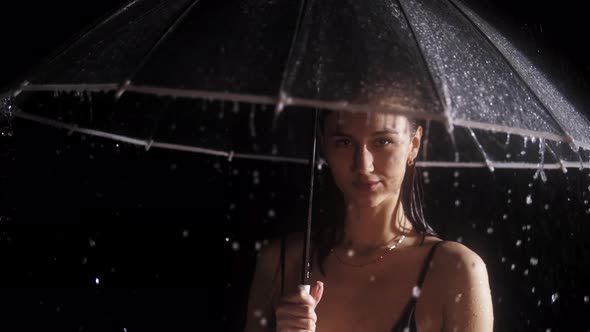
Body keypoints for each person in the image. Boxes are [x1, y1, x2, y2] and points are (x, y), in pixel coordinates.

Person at [244, 110, 493, 332]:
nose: (363, 165)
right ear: (323, 144)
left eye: (382, 141)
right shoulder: (281, 262)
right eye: (344, 142)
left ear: (413, 144)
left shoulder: (454, 270)